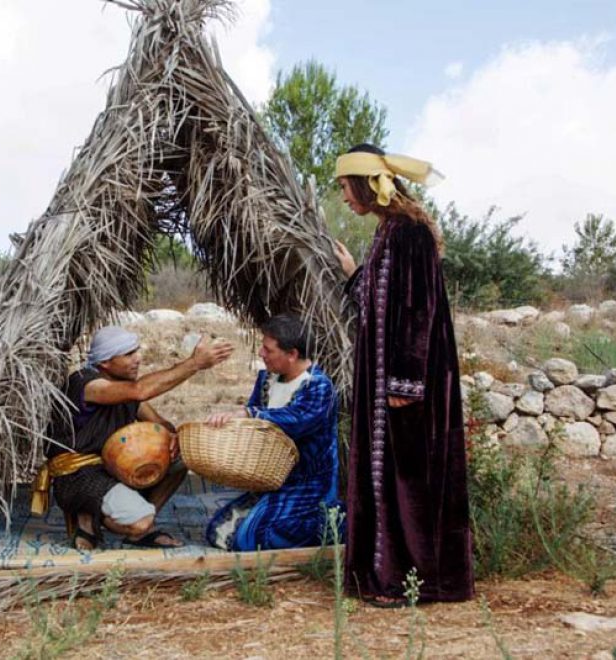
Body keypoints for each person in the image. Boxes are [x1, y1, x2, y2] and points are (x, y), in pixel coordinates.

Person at [331, 143, 474, 605]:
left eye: (345, 188)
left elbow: (418, 310)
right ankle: (388, 573)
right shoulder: (387, 233)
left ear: (366, 183)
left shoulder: (408, 233)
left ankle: (413, 579)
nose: (344, 199)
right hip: (384, 384)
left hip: (406, 386)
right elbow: (379, 303)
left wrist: (405, 383)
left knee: (409, 478)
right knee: (388, 476)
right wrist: (355, 274)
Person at [33, 325, 234, 551]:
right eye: (129, 354)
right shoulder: (86, 383)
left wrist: (173, 437)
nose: (138, 359)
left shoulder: (125, 390)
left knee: (180, 458)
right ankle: (91, 520)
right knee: (140, 522)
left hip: (113, 470)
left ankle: (138, 529)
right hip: (79, 477)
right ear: (105, 362)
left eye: (137, 351)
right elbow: (140, 391)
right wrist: (194, 363)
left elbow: (160, 423)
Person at [203, 315, 343, 551]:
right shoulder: (267, 380)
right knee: (217, 531)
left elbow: (297, 419)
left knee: (249, 540)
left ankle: (336, 521)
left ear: (292, 354)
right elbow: (254, 427)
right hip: (272, 479)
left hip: (307, 482)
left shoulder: (318, 386)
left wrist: (250, 414)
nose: (261, 353)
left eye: (268, 349)